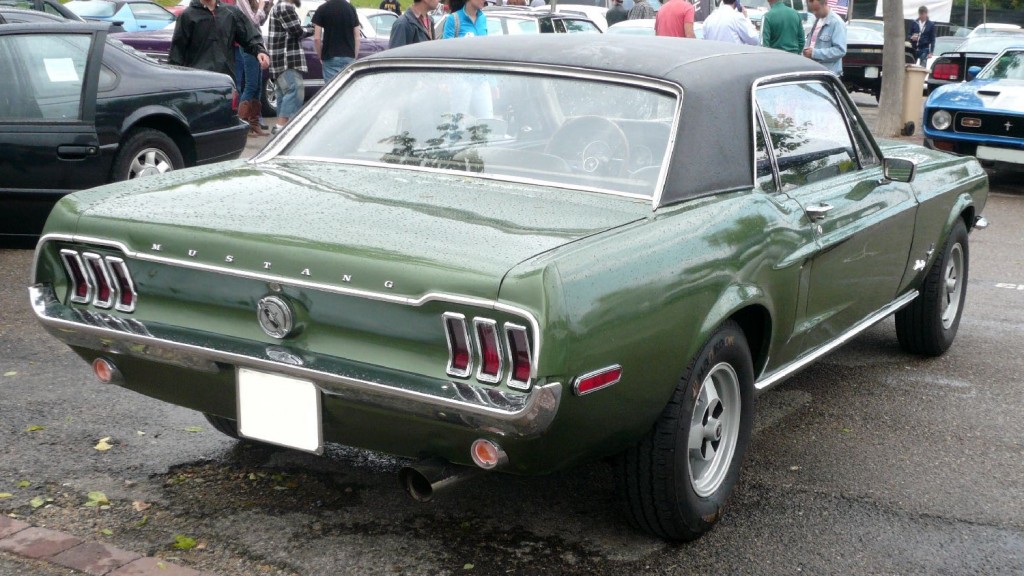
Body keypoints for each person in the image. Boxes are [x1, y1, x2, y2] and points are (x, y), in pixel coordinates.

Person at [169, 0, 270, 91]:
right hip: (196, 85)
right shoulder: (187, 16)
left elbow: (249, 35)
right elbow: (177, 53)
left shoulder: (231, 13)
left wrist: (259, 50)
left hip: (225, 82)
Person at [267, 0, 307, 134]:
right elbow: (298, 31)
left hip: (279, 62)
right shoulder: (285, 7)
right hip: (287, 60)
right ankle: (282, 129)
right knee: (294, 91)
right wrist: (311, 29)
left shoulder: (278, 7)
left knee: (283, 95)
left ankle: (280, 131)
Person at [236, 0, 269, 135]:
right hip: (248, 45)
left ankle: (254, 123)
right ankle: (243, 123)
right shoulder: (242, 1)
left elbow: (261, 22)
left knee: (257, 86)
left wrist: (267, 6)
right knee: (251, 85)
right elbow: (252, 21)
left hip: (257, 45)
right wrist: (261, 6)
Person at [312, 0, 360, 84]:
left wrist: (320, 56)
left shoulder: (322, 9)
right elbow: (357, 37)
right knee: (347, 88)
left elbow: (317, 38)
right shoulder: (351, 8)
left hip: (330, 57)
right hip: (349, 56)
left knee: (332, 90)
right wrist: (354, 55)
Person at [803, 0, 846, 77]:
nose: (814, 13)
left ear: (825, 3)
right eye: (812, 10)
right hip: (814, 72)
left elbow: (840, 50)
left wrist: (814, 53)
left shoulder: (836, 23)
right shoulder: (817, 20)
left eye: (817, 10)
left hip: (828, 75)